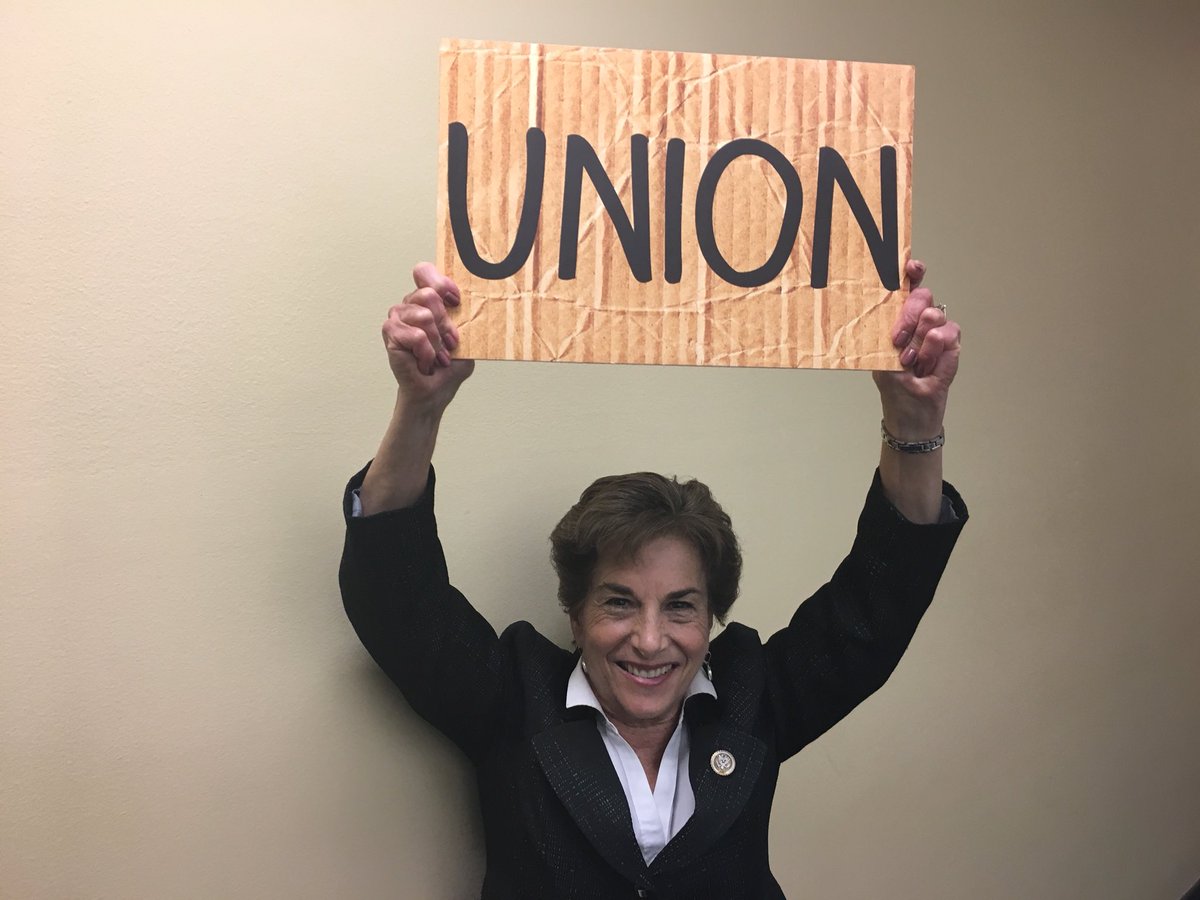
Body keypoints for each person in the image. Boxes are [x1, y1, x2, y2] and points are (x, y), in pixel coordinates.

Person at [339, 260, 966, 898]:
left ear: (712, 616)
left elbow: (876, 606)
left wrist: (915, 423)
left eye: (680, 606)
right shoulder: (513, 701)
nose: (648, 639)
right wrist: (420, 407)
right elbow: (397, 596)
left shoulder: (752, 700)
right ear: (575, 612)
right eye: (619, 602)